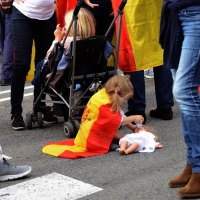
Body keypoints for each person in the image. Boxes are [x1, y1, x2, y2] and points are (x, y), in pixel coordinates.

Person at [42, 75, 144, 159]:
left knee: (125, 137)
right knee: (126, 138)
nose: (124, 102)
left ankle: (113, 143)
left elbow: (119, 115)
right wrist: (134, 118)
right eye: (124, 99)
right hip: (92, 136)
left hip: (92, 130)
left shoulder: (105, 95)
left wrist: (133, 127)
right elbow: (117, 120)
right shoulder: (103, 103)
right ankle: (110, 144)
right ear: (118, 95)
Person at [159, 1, 200, 198]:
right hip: (177, 12)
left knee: (184, 90)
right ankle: (192, 163)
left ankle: (199, 168)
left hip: (196, 13)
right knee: (181, 89)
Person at [110, 0, 174, 124]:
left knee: (133, 58)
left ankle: (137, 109)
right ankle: (166, 106)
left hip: (130, 8)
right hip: (156, 8)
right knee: (160, 54)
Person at [32, 7, 96, 119]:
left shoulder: (68, 42)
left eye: (66, 24)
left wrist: (57, 39)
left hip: (63, 77)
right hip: (86, 76)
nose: (64, 26)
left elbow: (50, 57)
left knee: (42, 66)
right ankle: (63, 108)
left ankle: (55, 106)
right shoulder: (93, 41)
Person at [0, 12, 14, 86]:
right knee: (10, 37)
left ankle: (5, 73)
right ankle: (7, 74)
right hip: (9, 5)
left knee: (3, 38)